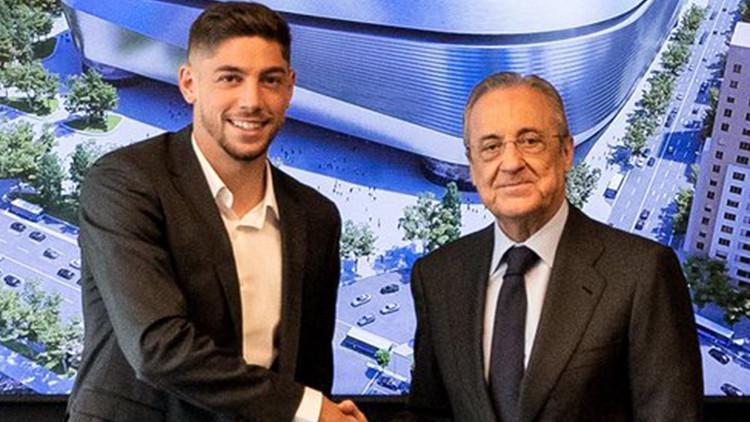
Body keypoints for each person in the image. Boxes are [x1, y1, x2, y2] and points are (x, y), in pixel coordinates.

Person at [66, 3, 365, 421]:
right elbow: (158, 349)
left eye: (270, 80)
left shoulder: (316, 216)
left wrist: (320, 410)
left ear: (289, 89)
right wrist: (312, 410)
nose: (251, 100)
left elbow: (309, 370)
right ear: (189, 83)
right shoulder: (124, 182)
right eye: (230, 78)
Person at [403, 72, 703, 421]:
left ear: (566, 152)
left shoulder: (643, 273)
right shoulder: (437, 276)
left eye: (530, 141)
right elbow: (430, 414)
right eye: (491, 147)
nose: (511, 163)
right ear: (472, 167)